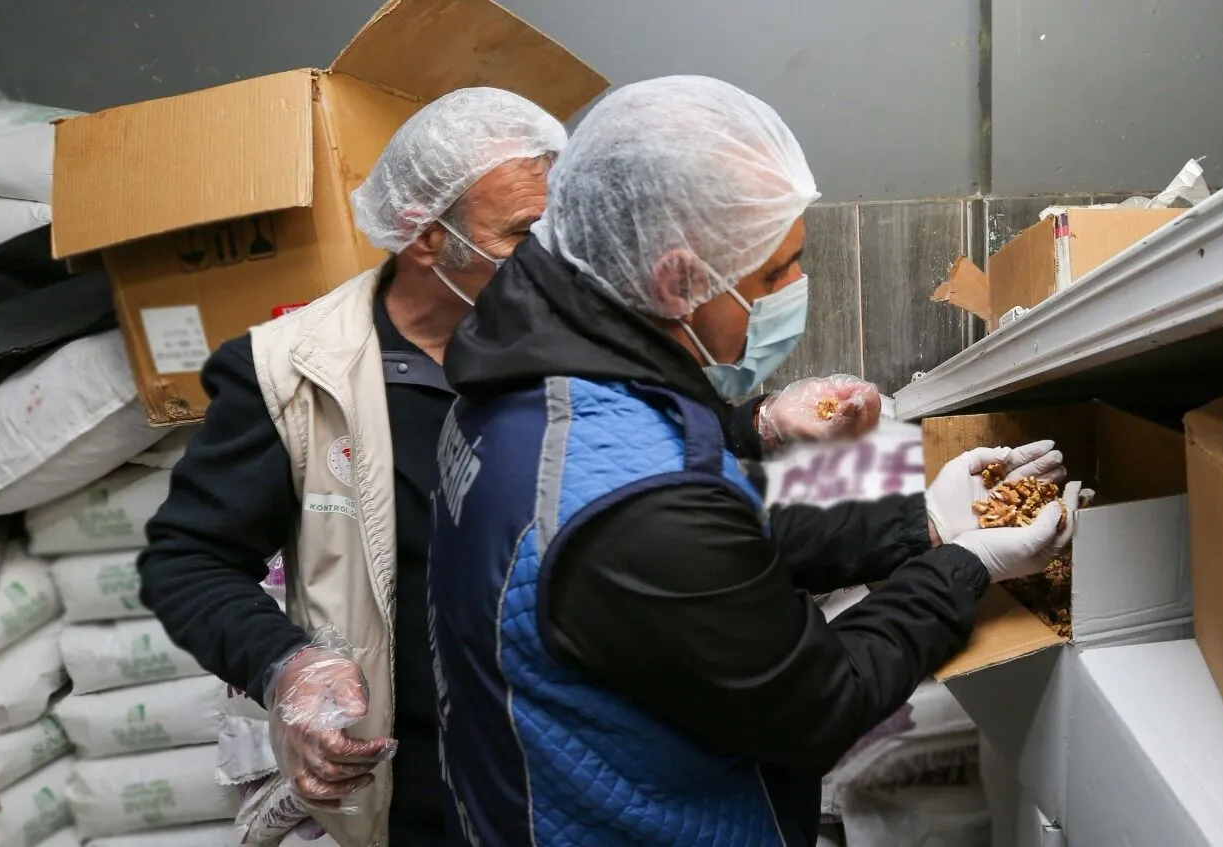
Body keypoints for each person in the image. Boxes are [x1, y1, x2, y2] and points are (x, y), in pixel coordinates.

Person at [138, 85, 886, 846]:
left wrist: (752, 424)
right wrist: (285, 665)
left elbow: (606, 454)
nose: (557, 250)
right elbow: (190, 560)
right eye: (525, 231)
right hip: (420, 769)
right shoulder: (301, 372)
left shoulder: (566, 328)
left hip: (583, 750)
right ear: (425, 237)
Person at [427, 75, 1089, 846]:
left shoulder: (530, 386)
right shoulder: (633, 500)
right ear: (676, 279)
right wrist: (966, 564)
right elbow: (819, 701)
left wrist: (926, 522)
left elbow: (723, 542)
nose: (797, 288)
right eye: (775, 271)